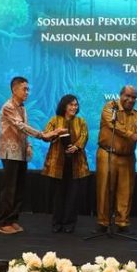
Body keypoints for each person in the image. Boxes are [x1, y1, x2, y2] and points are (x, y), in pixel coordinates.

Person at [0, 76, 65, 235]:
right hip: (10, 153)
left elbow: (24, 130)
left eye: (28, 89)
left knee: (19, 189)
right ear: (14, 90)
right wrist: (43, 135)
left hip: (21, 153)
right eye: (24, 89)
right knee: (9, 189)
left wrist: (29, 145)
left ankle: (13, 219)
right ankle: (3, 223)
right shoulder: (8, 107)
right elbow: (20, 126)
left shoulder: (23, 108)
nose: (27, 92)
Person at [95, 85, 137, 233]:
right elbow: (115, 126)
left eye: (134, 97)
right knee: (105, 189)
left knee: (126, 191)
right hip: (108, 154)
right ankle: (103, 222)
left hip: (128, 157)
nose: (130, 100)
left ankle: (122, 222)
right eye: (128, 96)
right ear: (121, 95)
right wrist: (133, 135)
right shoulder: (110, 108)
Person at [41, 94, 90, 234]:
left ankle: (69, 223)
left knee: (73, 196)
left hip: (76, 164)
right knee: (58, 196)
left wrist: (77, 146)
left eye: (76, 105)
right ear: (64, 106)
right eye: (71, 105)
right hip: (57, 164)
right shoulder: (55, 120)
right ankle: (57, 223)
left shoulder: (81, 121)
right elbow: (45, 136)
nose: (74, 107)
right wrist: (56, 133)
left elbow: (84, 136)